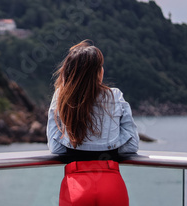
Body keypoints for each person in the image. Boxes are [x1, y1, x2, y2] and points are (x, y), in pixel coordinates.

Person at [47, 40, 139, 206]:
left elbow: (56, 148)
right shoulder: (115, 96)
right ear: (97, 72)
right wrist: (109, 142)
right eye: (100, 66)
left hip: (75, 184)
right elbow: (131, 146)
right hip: (111, 182)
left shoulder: (61, 97)